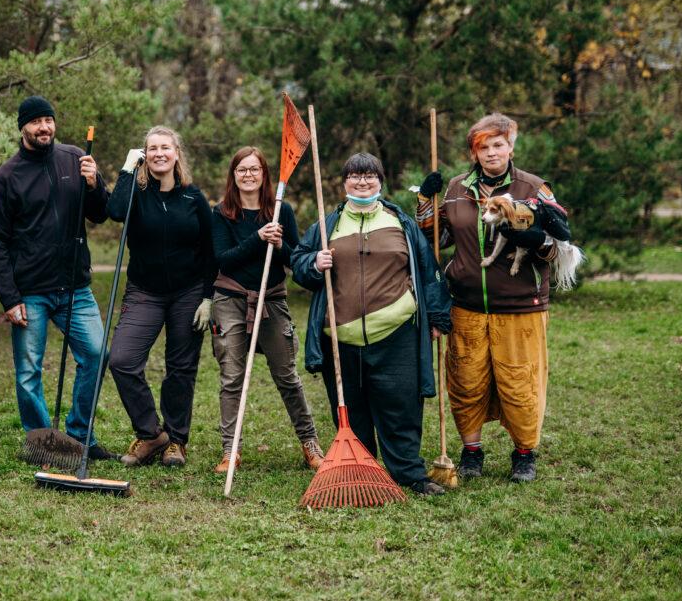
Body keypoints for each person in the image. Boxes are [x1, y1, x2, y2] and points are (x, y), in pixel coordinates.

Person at [416, 112, 566, 483]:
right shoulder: (456, 189)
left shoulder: (534, 188)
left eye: (498, 144)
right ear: (474, 151)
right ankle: (471, 453)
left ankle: (524, 454)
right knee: (466, 380)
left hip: (520, 305)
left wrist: (537, 241)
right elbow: (434, 238)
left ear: (511, 146)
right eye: (483, 146)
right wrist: (424, 199)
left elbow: (561, 245)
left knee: (520, 381)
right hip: (466, 304)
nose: (491, 152)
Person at [292, 152, 452, 496]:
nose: (362, 182)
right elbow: (298, 263)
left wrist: (438, 316)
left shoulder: (401, 222)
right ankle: (360, 467)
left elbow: (428, 270)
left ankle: (410, 473)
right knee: (351, 407)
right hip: (341, 337)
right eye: (354, 176)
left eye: (369, 176)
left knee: (400, 406)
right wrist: (313, 262)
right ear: (343, 182)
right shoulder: (326, 225)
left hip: (396, 334)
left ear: (381, 181)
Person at [0, 96, 117, 460]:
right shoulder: (5, 177)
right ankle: (44, 443)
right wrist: (10, 298)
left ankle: (78, 436)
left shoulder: (76, 158)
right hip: (31, 292)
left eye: (48, 120)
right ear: (22, 127)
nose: (44, 127)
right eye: (36, 121)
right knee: (29, 372)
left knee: (96, 354)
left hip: (75, 285)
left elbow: (100, 214)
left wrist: (95, 185)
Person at [209, 146, 324, 473]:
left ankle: (310, 444)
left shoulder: (280, 211)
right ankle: (231, 451)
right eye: (241, 170)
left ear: (264, 174)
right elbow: (223, 259)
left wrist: (278, 243)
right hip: (230, 300)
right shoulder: (222, 213)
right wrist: (258, 238)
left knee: (287, 376)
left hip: (271, 299)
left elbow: (295, 258)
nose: (248, 175)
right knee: (232, 377)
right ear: (233, 175)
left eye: (254, 169)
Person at [107, 126, 216, 467]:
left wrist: (208, 297)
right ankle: (152, 433)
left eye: (164, 148)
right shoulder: (136, 193)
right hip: (144, 292)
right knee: (122, 360)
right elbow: (115, 211)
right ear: (144, 155)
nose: (158, 153)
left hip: (188, 292)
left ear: (176, 154)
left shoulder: (193, 198)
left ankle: (177, 441)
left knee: (181, 369)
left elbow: (211, 251)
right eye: (151, 149)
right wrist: (127, 169)